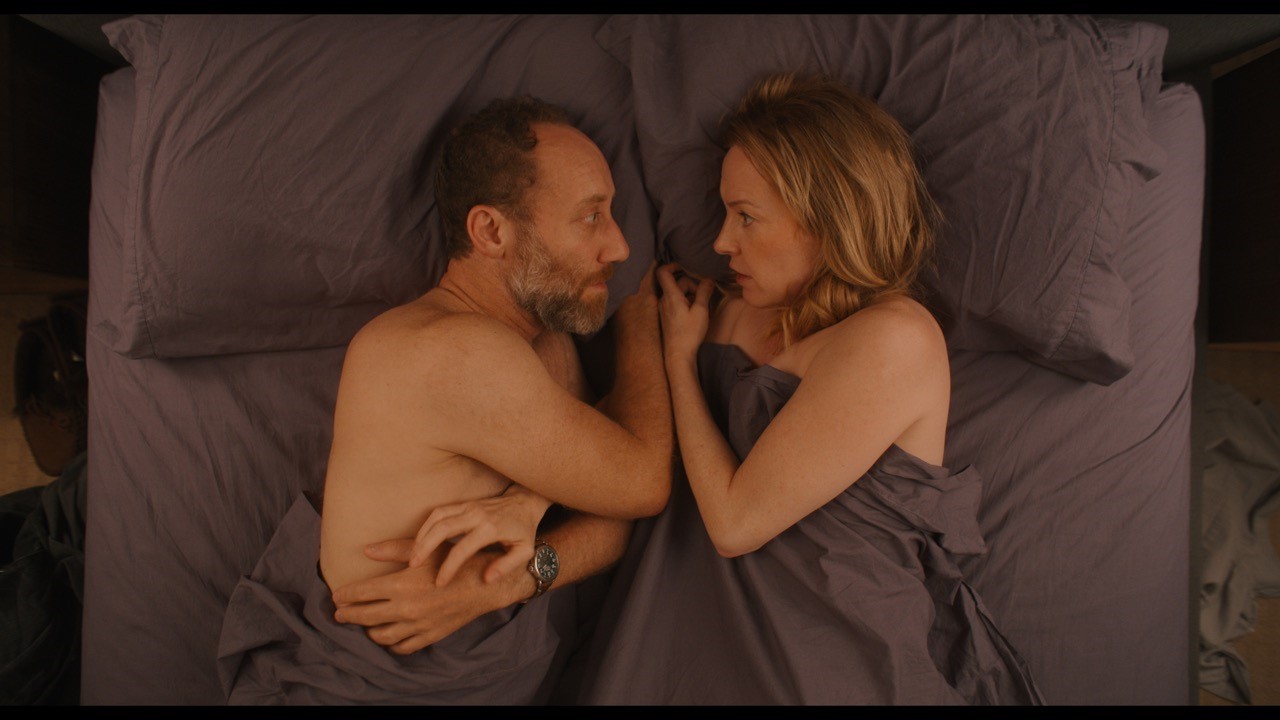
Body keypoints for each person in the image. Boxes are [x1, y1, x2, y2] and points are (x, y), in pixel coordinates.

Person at [374, 72, 1046, 705]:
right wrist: (529, 499)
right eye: (724, 213)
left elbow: (735, 521)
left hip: (837, 658)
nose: (722, 241)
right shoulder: (718, 310)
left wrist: (681, 362)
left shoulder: (895, 339)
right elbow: (632, 446)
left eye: (746, 216)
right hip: (677, 658)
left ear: (828, 216)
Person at [214, 95, 674, 705]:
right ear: (491, 231)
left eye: (611, 213)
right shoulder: (456, 354)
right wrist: (641, 316)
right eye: (591, 217)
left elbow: (614, 503)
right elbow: (643, 481)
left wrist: (524, 531)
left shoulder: (539, 339)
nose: (619, 247)